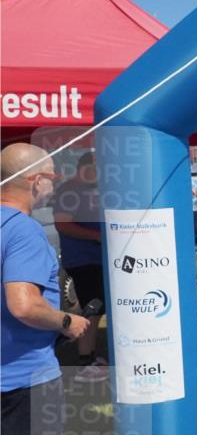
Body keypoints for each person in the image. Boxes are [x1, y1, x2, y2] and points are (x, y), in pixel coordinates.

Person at [1, 143, 88, 435]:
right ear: (35, 181)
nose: (55, 186)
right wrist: (67, 322)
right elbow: (23, 303)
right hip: (25, 374)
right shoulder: (24, 230)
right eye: (52, 177)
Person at [52, 151, 107, 381]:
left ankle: (90, 357)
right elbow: (62, 225)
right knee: (91, 308)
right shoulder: (69, 190)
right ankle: (85, 362)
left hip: (95, 259)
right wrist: (96, 236)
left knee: (96, 308)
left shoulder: (88, 190)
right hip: (83, 260)